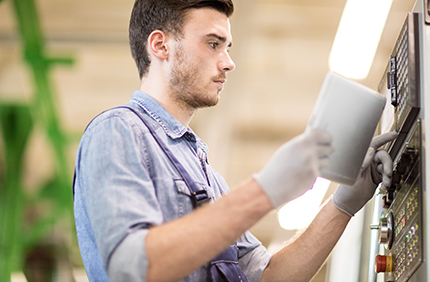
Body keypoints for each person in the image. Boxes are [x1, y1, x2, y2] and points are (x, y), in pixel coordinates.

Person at [73, 0, 397, 281]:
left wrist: (342, 204)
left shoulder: (207, 175)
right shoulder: (118, 131)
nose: (228, 61)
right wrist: (265, 190)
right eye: (214, 44)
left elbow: (268, 277)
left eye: (227, 47)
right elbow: (132, 269)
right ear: (160, 46)